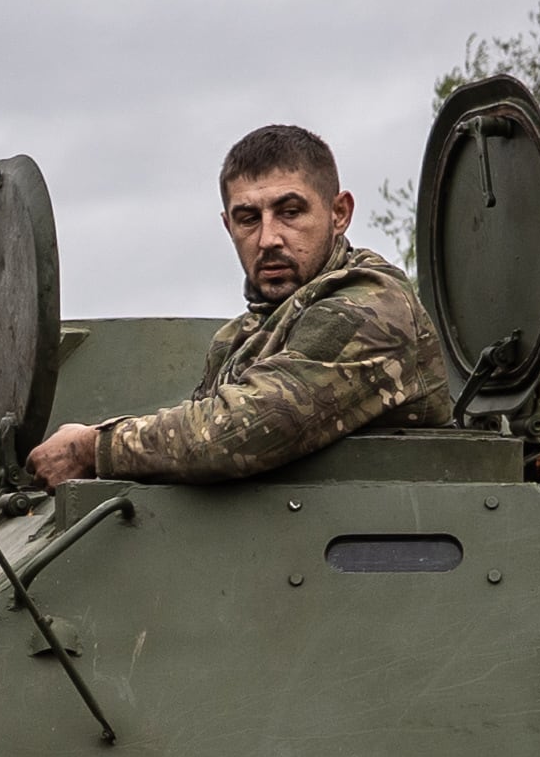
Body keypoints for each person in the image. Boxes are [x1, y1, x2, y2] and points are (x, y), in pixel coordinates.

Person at [28, 125, 447, 489]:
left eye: (290, 212)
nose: (268, 239)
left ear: (339, 213)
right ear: (228, 225)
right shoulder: (242, 335)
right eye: (248, 218)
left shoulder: (371, 305)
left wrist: (94, 447)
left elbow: (246, 429)